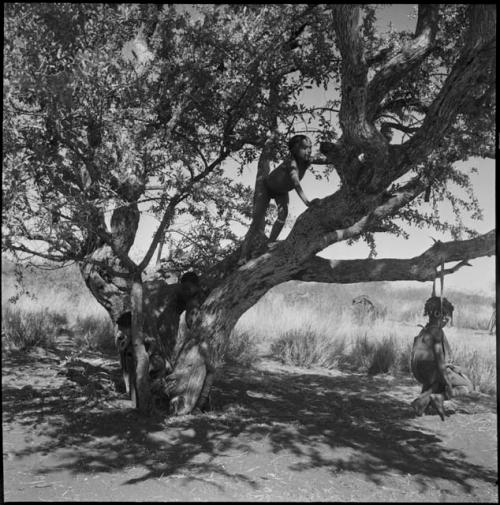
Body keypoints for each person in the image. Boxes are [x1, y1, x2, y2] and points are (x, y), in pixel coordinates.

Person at [410, 296, 473, 421]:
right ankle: (438, 398)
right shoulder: (437, 332)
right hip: (431, 373)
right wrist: (448, 385)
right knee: (469, 387)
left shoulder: (425, 330)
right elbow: (440, 363)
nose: (448, 320)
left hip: (419, 372)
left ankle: (423, 403)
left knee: (442, 377)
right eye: (448, 316)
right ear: (442, 316)